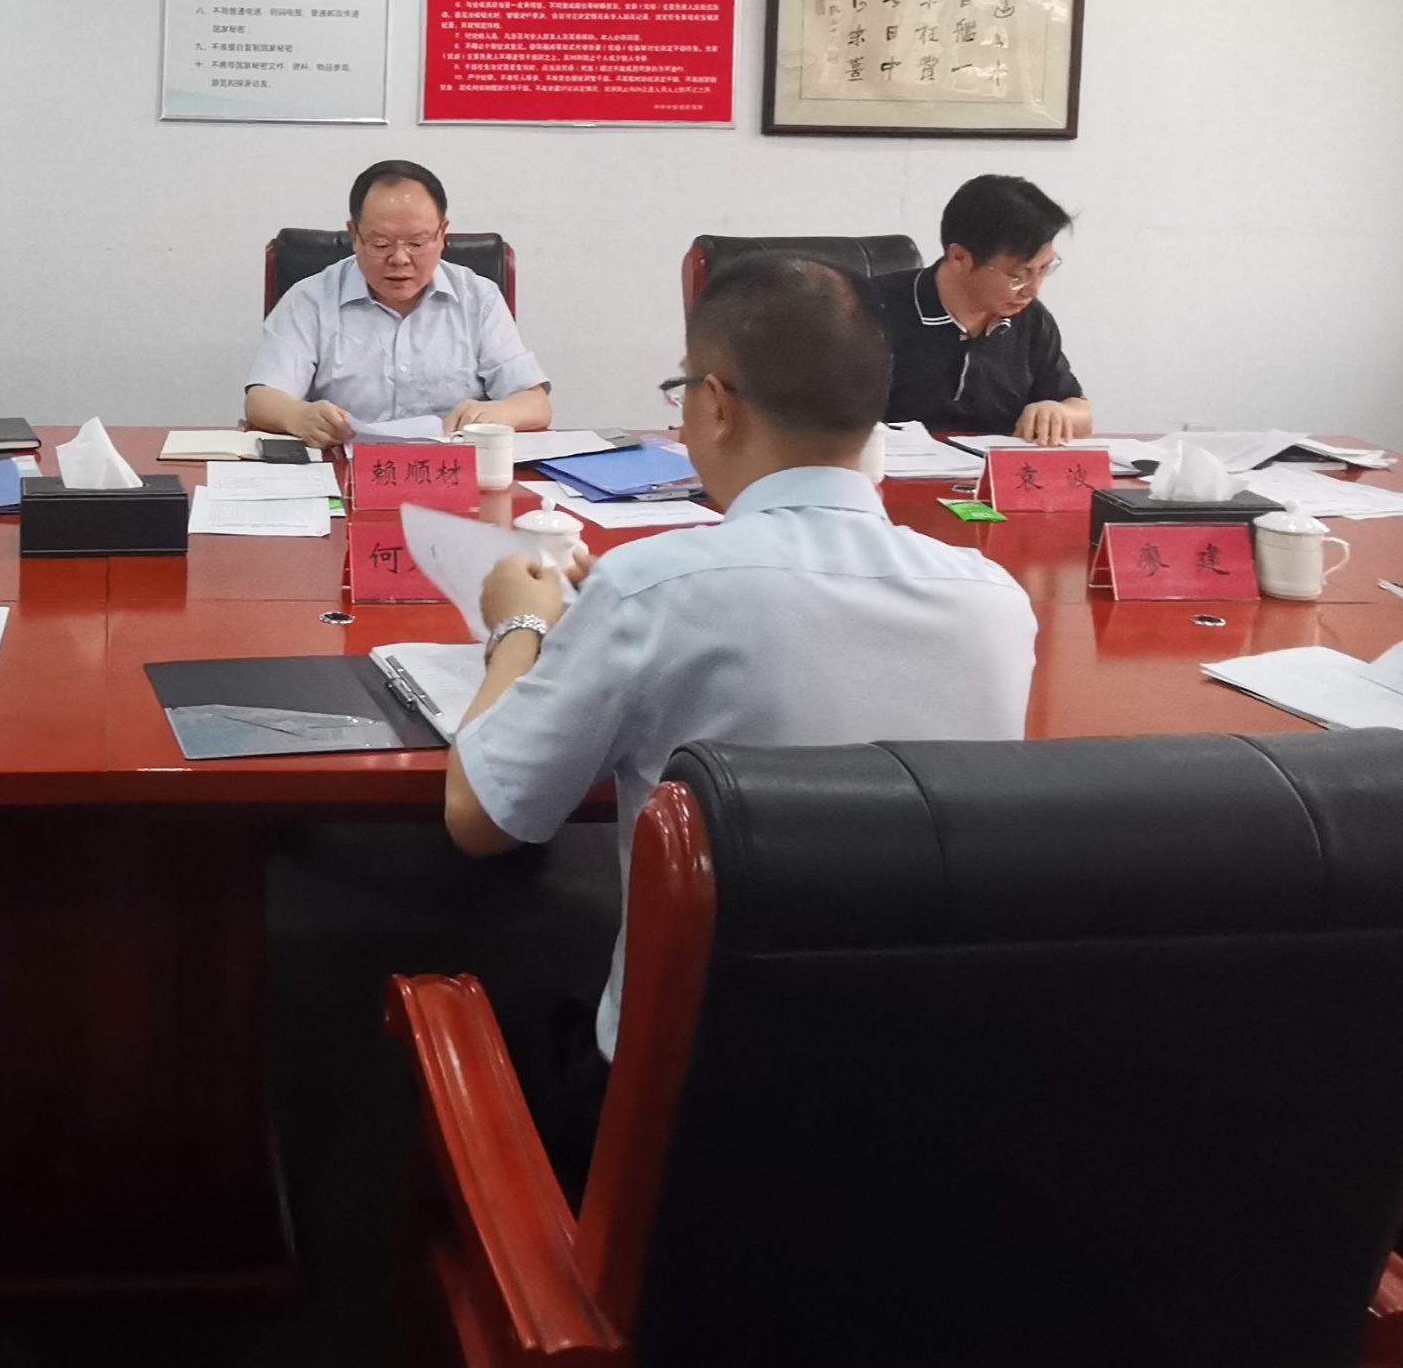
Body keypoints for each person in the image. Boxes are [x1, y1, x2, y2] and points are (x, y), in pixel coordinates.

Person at [440, 256, 1039, 1141]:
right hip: (920, 1104)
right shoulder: (995, 603)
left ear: (717, 402)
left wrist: (520, 627)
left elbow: (481, 815)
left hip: (683, 1119)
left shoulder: (652, 588)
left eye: (683, 390)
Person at [246, 160, 551, 448]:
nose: (400, 258)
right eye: (381, 244)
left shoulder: (479, 298)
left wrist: (497, 413)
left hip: (453, 471)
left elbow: (535, 403)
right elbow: (262, 399)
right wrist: (300, 417)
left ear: (442, 235)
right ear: (355, 235)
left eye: (417, 243)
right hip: (346, 470)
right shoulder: (310, 299)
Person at [876, 173, 1090, 444]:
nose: (1033, 291)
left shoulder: (1031, 318)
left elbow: (1081, 413)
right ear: (959, 258)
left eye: (1044, 269)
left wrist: (1058, 412)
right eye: (1017, 276)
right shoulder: (869, 311)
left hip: (992, 468)